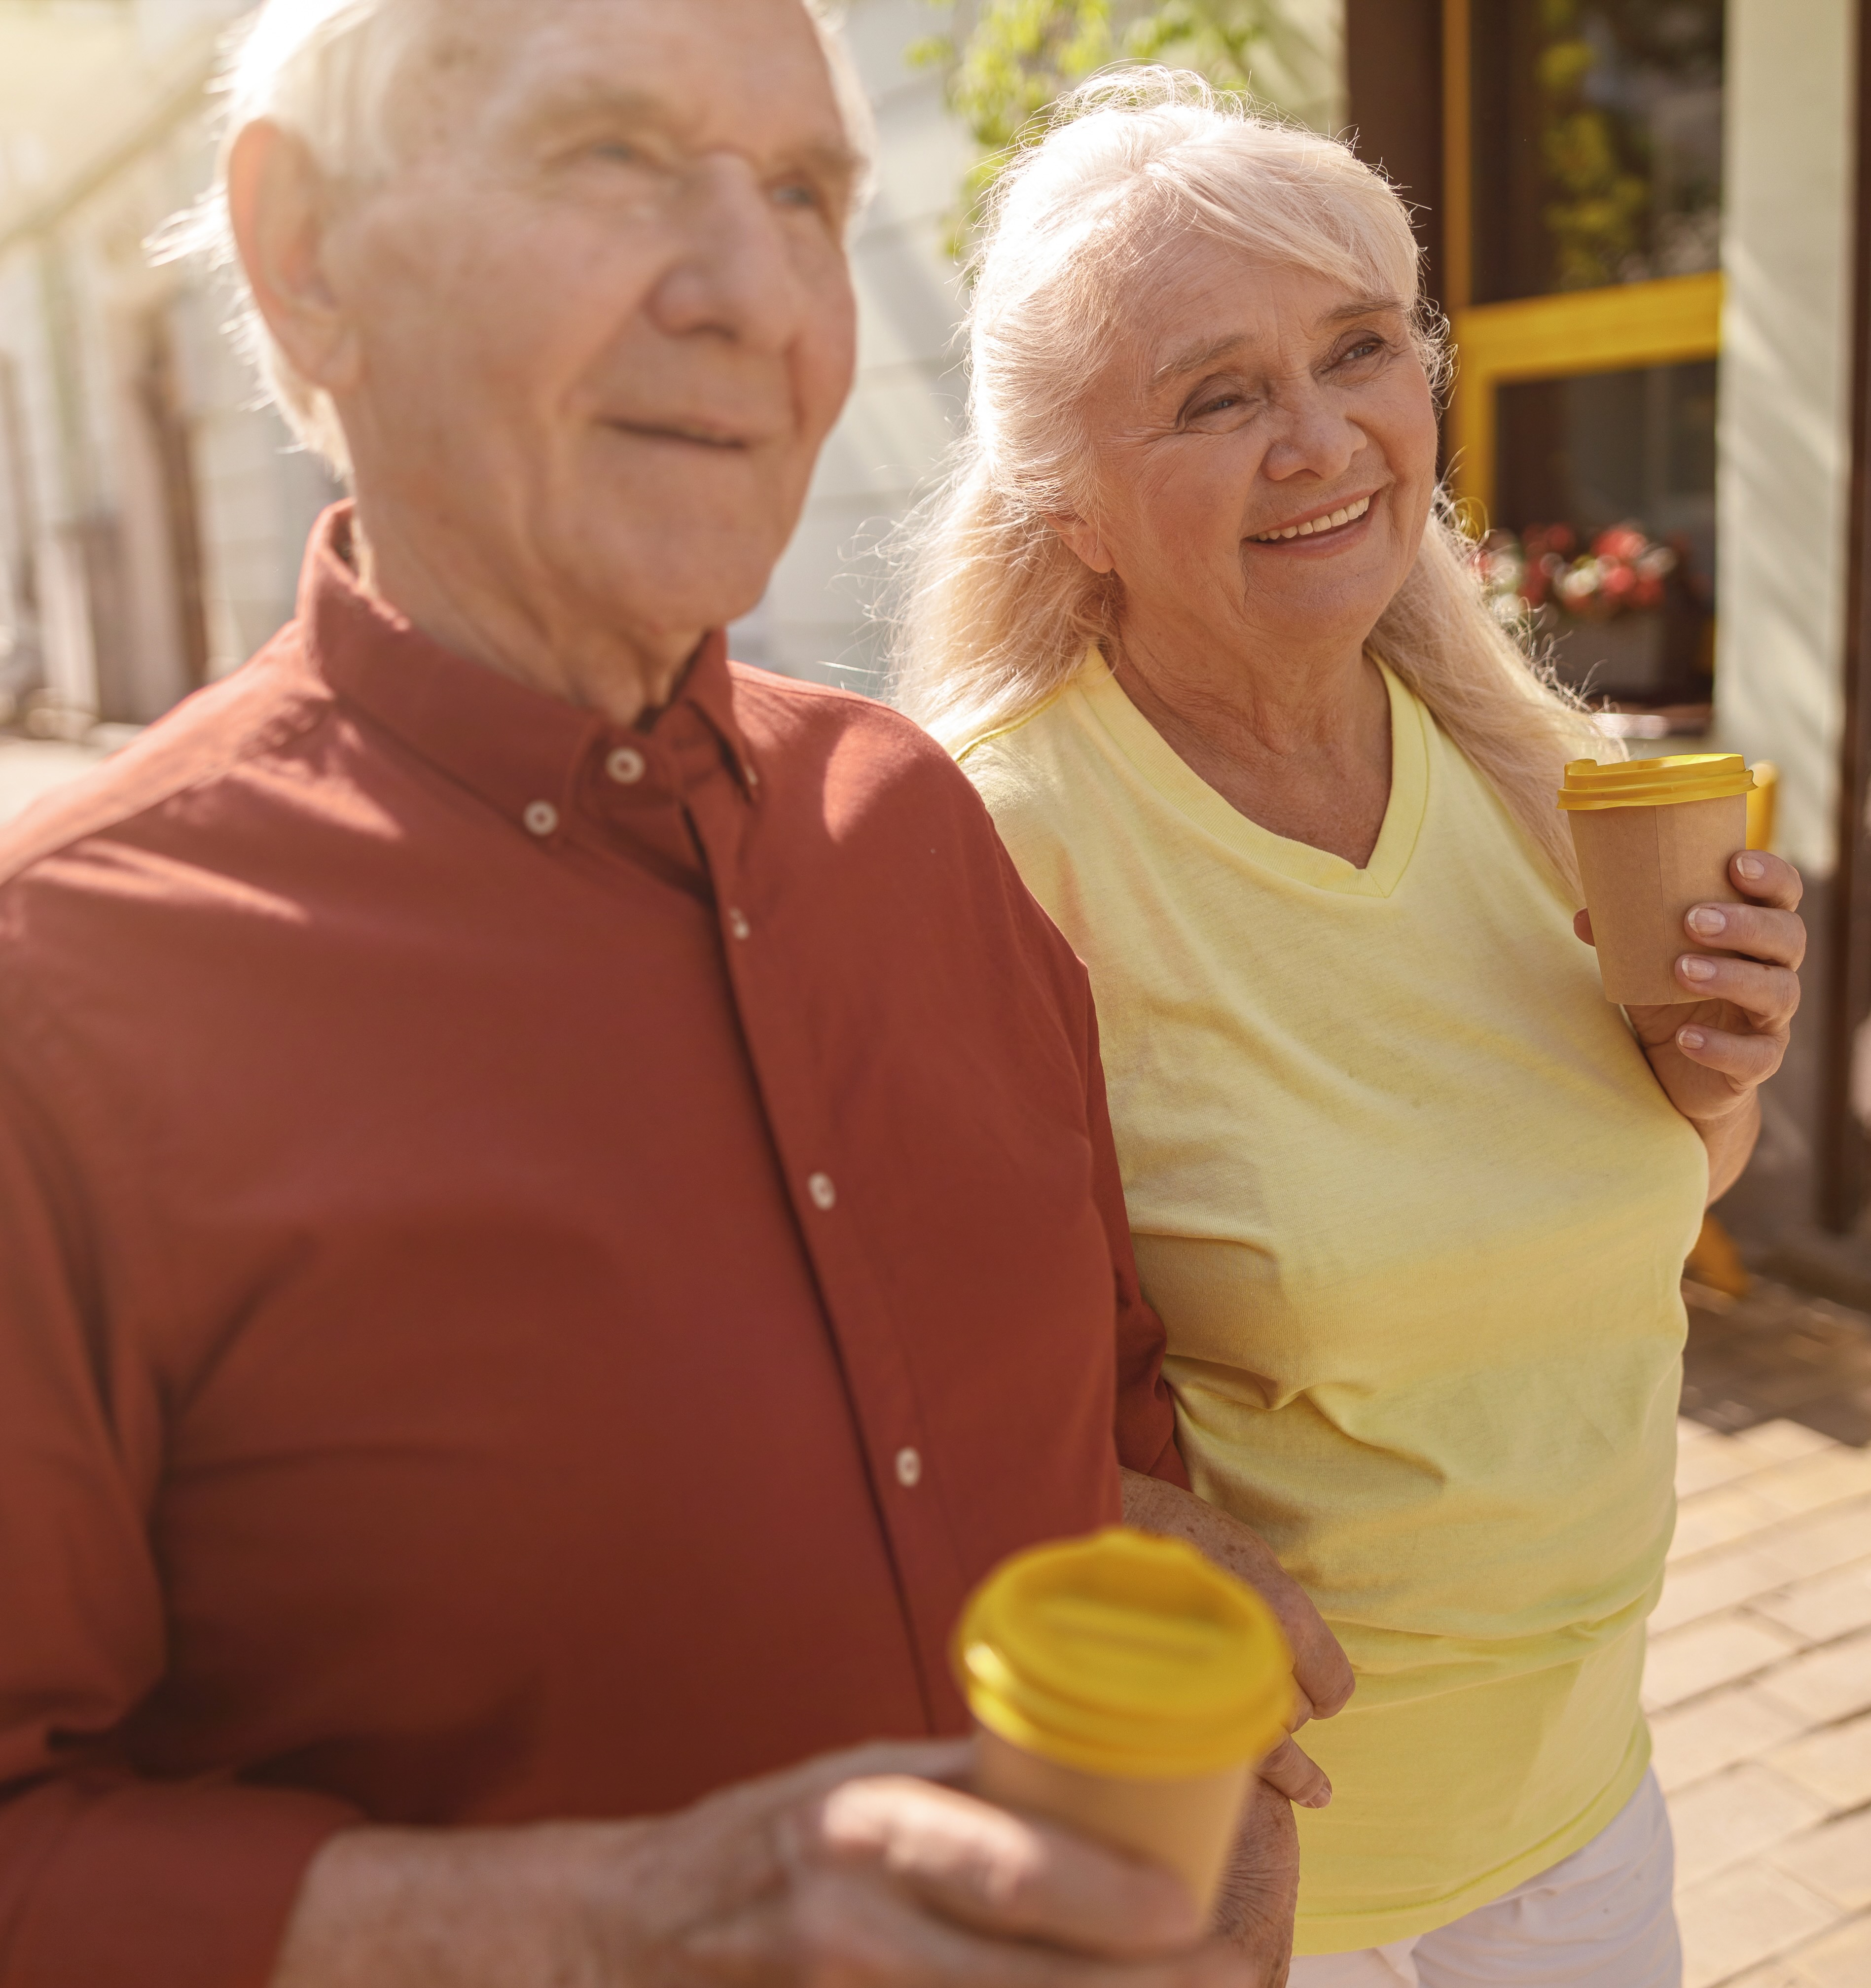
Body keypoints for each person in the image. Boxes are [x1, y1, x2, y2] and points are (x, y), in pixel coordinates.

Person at [0, 14, 1350, 1988]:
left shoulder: (910, 825)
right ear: (308, 252)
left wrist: (1195, 1729)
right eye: (614, 161)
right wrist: (598, 1925)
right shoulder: (66, 1000)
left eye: (807, 194)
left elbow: (1095, 1394)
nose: (755, 297)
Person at [899, 73, 1806, 1988]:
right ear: (1064, 492)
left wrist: (1708, 1088)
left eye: (1360, 351)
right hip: (1256, 1881)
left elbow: (1608, 1213)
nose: (1319, 440)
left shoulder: (1535, 775)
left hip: (1582, 1817)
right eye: (1218, 396)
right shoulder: (997, 848)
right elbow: (913, 1390)